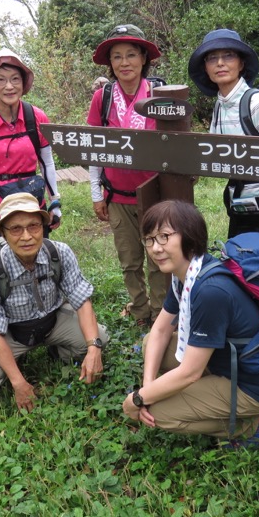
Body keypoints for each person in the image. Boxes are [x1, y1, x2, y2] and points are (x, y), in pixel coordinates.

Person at [122, 200, 259, 447]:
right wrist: (146, 389)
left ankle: (254, 424)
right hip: (223, 363)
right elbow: (158, 331)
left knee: (158, 413)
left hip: (254, 385)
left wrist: (137, 400)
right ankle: (205, 398)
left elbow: (190, 373)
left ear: (189, 236)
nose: (155, 248)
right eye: (149, 239)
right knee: (151, 343)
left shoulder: (210, 290)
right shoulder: (187, 274)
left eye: (164, 237)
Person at [0, 192, 110, 411]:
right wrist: (19, 383)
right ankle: (13, 362)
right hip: (12, 332)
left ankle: (57, 350)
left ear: (43, 227)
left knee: (99, 338)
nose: (26, 236)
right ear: (4, 234)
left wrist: (94, 349)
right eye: (16, 229)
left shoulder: (60, 253)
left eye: (33, 226)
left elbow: (82, 300)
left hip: (53, 321)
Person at [188, 29, 259, 249]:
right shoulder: (220, 105)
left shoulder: (256, 102)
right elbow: (213, 151)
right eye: (212, 58)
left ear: (241, 63)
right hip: (240, 208)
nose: (220, 63)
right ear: (205, 67)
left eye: (228, 55)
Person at [87, 25, 167, 328]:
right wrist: (97, 194)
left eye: (131, 55)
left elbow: (176, 143)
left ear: (143, 57)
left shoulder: (160, 94)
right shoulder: (102, 98)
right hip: (118, 196)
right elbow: (93, 148)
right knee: (130, 261)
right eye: (117, 56)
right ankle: (139, 310)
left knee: (160, 257)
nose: (124, 63)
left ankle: (161, 313)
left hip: (156, 194)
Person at [0, 48, 62, 243]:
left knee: (39, 261)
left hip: (33, 206)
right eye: (1, 79)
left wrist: (54, 202)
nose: (9, 86)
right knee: (1, 265)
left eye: (15, 79)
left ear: (23, 83)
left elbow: (47, 163)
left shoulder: (36, 117)